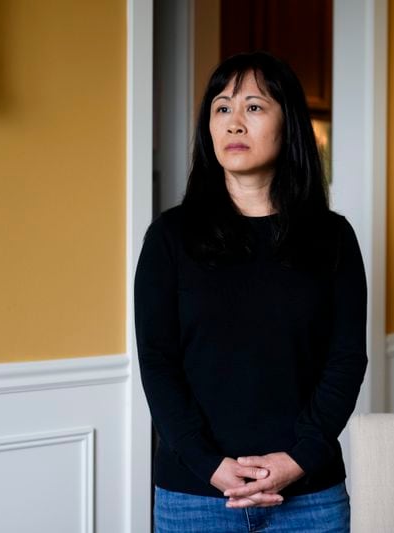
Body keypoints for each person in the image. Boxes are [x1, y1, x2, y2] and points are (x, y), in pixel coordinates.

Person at [134, 51, 368, 533]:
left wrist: (299, 459)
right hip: (193, 496)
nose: (234, 123)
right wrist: (209, 465)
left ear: (289, 126)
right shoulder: (169, 237)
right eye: (222, 108)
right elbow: (158, 363)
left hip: (310, 497)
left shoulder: (333, 237)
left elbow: (346, 360)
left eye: (254, 107)